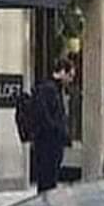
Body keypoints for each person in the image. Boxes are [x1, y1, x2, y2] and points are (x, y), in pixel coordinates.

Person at [33, 58, 74, 193]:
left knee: (49, 181)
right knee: (47, 181)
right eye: (70, 75)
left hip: (51, 144)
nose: (71, 80)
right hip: (47, 145)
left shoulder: (56, 89)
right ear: (62, 72)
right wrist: (57, 132)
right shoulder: (49, 89)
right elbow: (45, 117)